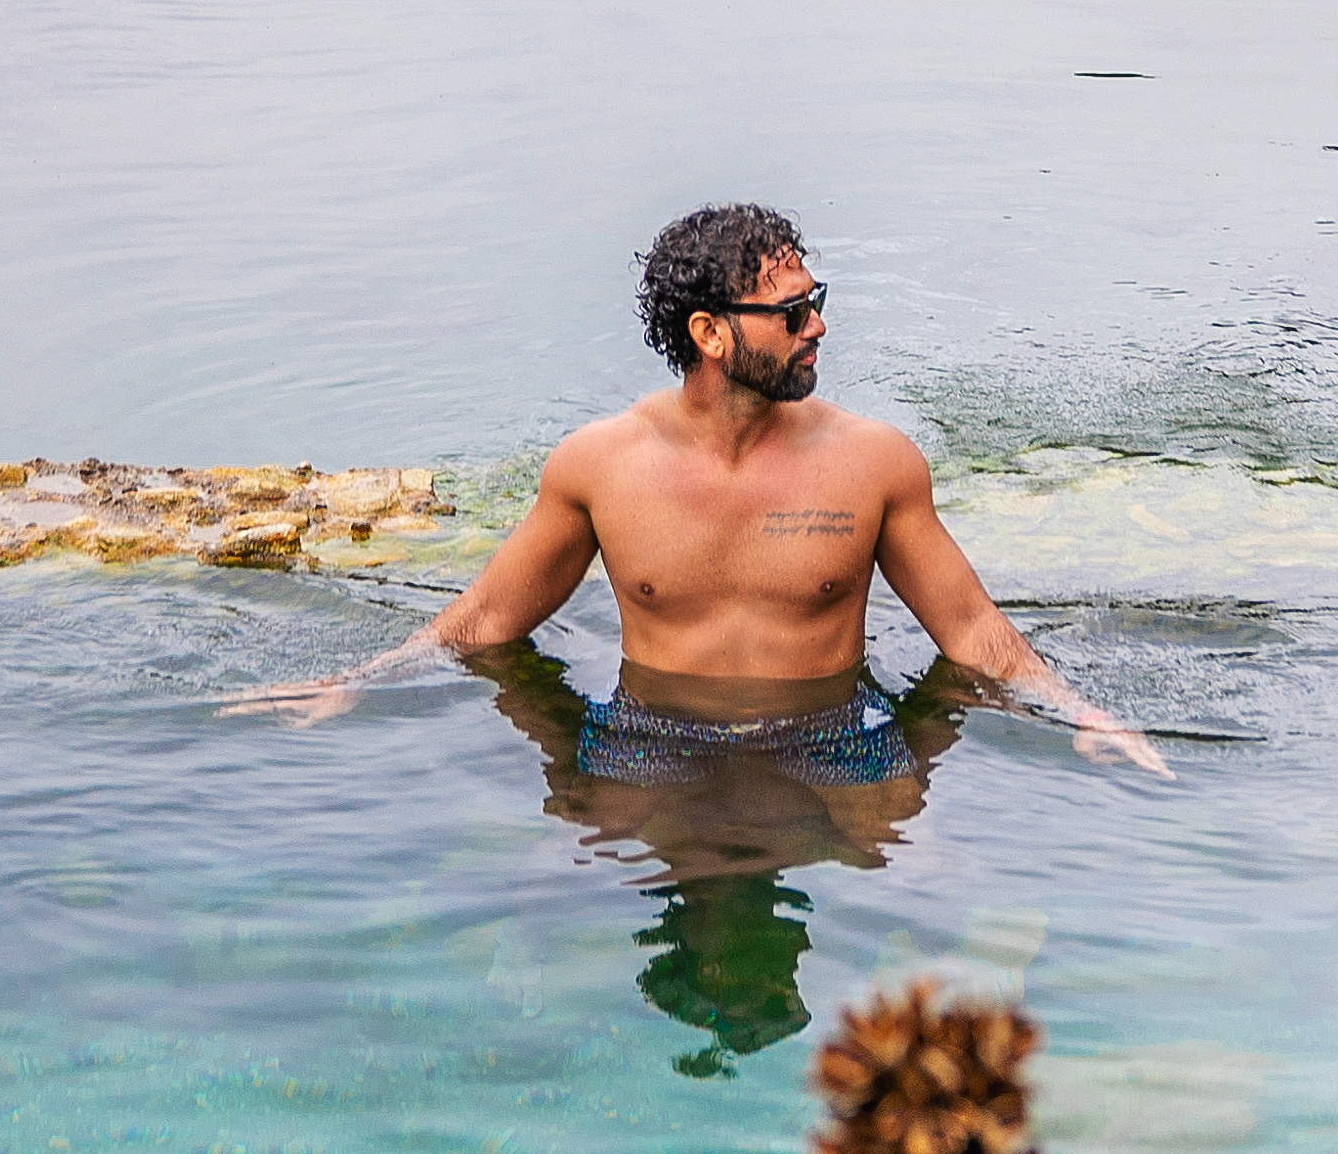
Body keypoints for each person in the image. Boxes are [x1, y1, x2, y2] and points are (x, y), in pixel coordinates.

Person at [234, 202, 1166, 780]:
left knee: (922, 890)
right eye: (792, 312)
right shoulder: (599, 466)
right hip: (650, 740)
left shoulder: (876, 463)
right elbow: (485, 620)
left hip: (836, 738)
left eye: (816, 301)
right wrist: (357, 685)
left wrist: (1083, 713)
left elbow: (970, 630)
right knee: (563, 886)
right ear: (711, 334)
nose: (818, 327)